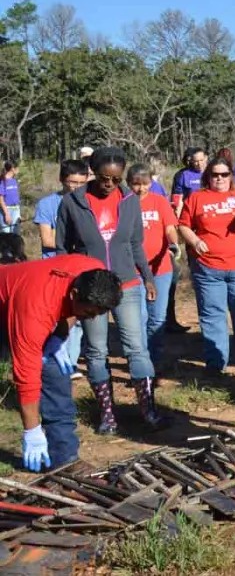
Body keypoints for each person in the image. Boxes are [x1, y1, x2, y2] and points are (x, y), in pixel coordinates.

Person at [55, 147, 164, 434]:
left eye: (116, 180)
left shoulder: (129, 201)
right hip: (90, 289)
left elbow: (136, 243)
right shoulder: (72, 203)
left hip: (127, 283)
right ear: (93, 172)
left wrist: (148, 277)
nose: (110, 185)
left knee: (136, 347)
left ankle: (148, 410)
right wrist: (69, 284)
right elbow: (63, 248)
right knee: (96, 350)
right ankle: (107, 414)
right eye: (104, 178)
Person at [1, 256, 120, 470]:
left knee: (55, 373)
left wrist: (59, 336)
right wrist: (32, 430)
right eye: (89, 313)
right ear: (74, 294)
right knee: (35, 369)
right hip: (15, 306)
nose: (92, 319)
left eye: (98, 314)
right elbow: (26, 375)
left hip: (26, 303)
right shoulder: (35, 308)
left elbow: (75, 309)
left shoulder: (96, 273)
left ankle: (64, 458)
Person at [178, 158, 235, 372]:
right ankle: (216, 363)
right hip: (208, 268)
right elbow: (183, 226)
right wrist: (195, 241)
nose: (219, 178)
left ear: (231, 176)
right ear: (207, 176)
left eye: (224, 174)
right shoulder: (197, 198)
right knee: (212, 314)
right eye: (215, 174)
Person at [128, 164, 180, 369]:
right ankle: (139, 363)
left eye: (145, 183)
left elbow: (169, 227)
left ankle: (153, 361)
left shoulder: (159, 202)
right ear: (128, 183)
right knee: (137, 319)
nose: (141, 189)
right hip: (131, 270)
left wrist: (174, 244)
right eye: (136, 184)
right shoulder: (122, 203)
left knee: (157, 318)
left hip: (160, 269)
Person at [35, 160, 90, 259]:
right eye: (73, 182)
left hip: (82, 261)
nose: (78, 187)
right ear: (62, 179)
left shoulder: (89, 202)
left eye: (82, 183)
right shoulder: (46, 204)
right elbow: (47, 240)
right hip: (54, 261)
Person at [171, 147, 207, 215]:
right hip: (190, 213)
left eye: (201, 160)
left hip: (208, 211)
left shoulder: (213, 172)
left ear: (206, 158)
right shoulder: (183, 175)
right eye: (196, 161)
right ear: (192, 161)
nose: (199, 164)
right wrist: (178, 216)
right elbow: (178, 198)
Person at [0, 161, 20, 234]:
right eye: (17, 168)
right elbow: (1, 200)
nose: (18, 170)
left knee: (15, 236)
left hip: (16, 209)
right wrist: (6, 214)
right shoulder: (2, 181)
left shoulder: (14, 181)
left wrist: (18, 214)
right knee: (6, 236)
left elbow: (15, 198)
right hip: (6, 211)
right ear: (12, 169)